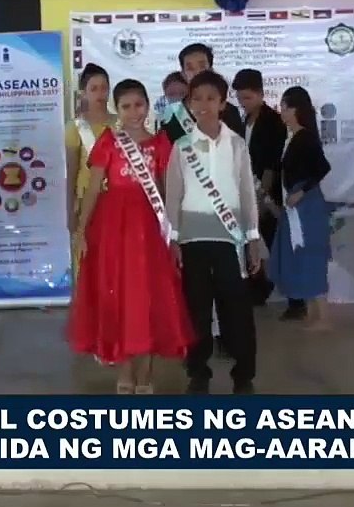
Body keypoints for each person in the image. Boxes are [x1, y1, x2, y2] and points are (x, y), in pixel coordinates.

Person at [68, 79, 194, 393]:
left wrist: (173, 233)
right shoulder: (109, 141)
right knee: (120, 297)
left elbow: (167, 191)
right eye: (126, 106)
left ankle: (146, 372)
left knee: (149, 298)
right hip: (114, 228)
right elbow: (93, 189)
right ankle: (124, 369)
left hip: (150, 229)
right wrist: (81, 230)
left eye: (139, 105)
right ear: (117, 108)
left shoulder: (161, 144)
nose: (133, 112)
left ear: (148, 106)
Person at [164, 70, 265, 394]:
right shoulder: (181, 146)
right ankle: (198, 372)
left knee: (236, 309)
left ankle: (243, 374)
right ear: (189, 103)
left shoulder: (236, 144)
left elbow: (246, 193)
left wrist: (252, 239)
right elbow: (173, 195)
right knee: (196, 310)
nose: (203, 105)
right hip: (191, 238)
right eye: (197, 99)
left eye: (211, 98)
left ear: (223, 103)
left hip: (230, 240)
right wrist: (172, 238)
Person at [269, 87, 333, 330]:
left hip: (307, 206)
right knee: (299, 256)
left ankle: (323, 317)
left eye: (285, 107)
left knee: (311, 257)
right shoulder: (292, 137)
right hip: (295, 204)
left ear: (297, 109)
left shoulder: (306, 137)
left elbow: (322, 168)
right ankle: (311, 312)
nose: (282, 112)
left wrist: (301, 191)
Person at [231, 69, 288, 310]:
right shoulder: (244, 120)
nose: (243, 103)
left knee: (274, 242)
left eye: (248, 97)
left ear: (261, 94)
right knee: (253, 242)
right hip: (247, 190)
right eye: (240, 98)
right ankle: (258, 289)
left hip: (267, 194)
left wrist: (262, 196)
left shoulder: (272, 121)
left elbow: (271, 165)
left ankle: (291, 296)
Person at [66, 64, 115, 279]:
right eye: (94, 89)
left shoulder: (121, 124)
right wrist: (70, 213)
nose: (100, 94)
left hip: (117, 204)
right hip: (86, 206)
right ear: (83, 93)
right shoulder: (76, 128)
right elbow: (71, 173)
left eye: (104, 88)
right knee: (87, 267)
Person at [162, 43, 245, 140]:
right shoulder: (172, 115)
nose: (197, 72)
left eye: (202, 66)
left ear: (211, 69)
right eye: (190, 68)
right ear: (183, 74)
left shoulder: (229, 112)